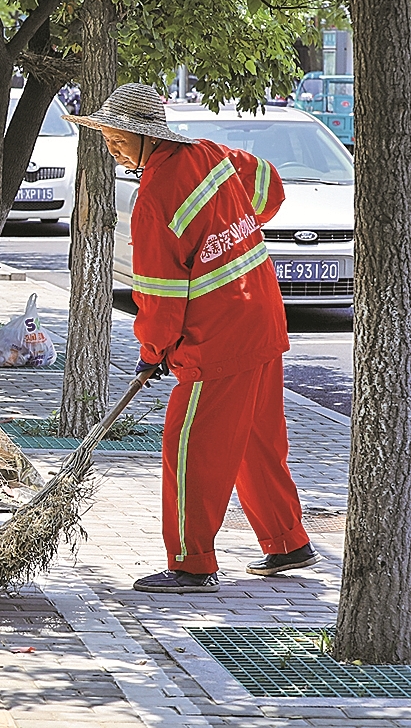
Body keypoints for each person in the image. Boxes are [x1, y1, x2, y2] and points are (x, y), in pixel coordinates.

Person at [67, 83, 315, 593]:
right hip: (262, 320)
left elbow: (158, 294)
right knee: (254, 441)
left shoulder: (154, 197)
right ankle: (288, 542)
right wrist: (236, 224)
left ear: (145, 136)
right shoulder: (211, 154)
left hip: (216, 340)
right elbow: (270, 188)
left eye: (117, 138)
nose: (111, 147)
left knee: (188, 447)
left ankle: (190, 562)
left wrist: (153, 353)